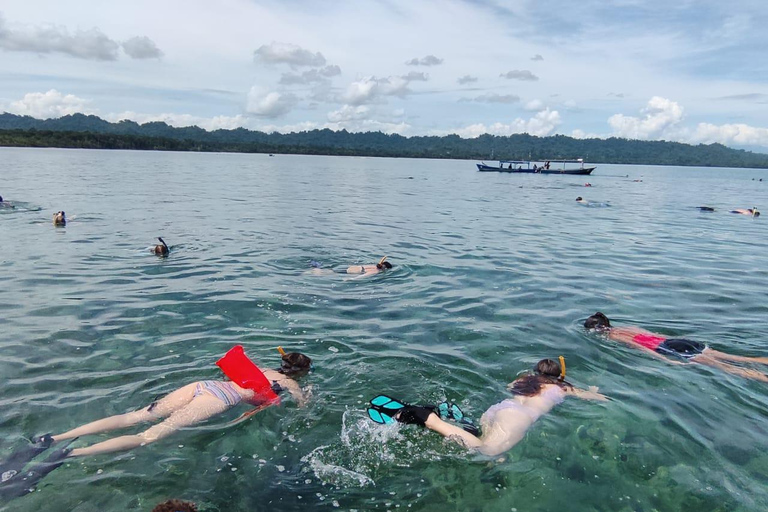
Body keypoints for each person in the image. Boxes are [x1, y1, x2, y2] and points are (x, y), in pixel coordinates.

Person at [369, 358, 607, 457]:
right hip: (519, 417)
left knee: (480, 439)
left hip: (500, 408)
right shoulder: (564, 388)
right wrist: (593, 392)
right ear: (559, 377)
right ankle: (428, 418)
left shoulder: (524, 380)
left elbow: (510, 385)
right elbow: (598, 399)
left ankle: (450, 420)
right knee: (488, 451)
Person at [584, 312, 768, 382]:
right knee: (739, 359)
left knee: (726, 368)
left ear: (598, 329)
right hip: (678, 342)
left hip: (671, 349)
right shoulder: (626, 328)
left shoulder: (615, 336)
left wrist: (667, 360)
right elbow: (656, 336)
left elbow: (643, 348)